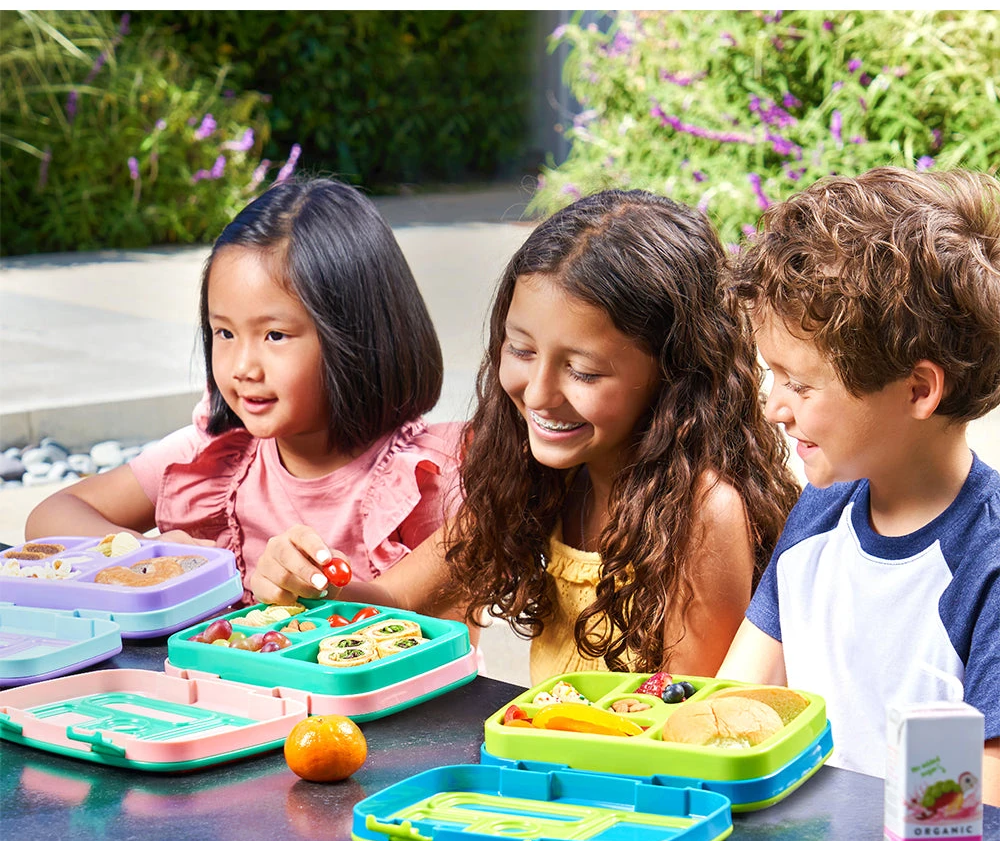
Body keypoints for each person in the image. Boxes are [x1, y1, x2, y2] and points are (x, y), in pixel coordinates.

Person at [252, 188, 801, 682]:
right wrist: (314, 581)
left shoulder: (703, 511)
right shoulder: (541, 475)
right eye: (521, 350)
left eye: (582, 372)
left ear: (676, 373)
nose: (537, 394)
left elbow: (687, 719)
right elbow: (392, 603)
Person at [24, 178, 464, 599]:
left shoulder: (422, 477)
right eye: (224, 333)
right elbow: (51, 517)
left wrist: (309, 586)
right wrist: (155, 554)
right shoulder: (218, 459)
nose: (242, 368)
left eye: (274, 335)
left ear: (356, 335)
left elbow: (412, 605)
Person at [717, 166, 1000, 804]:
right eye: (772, 374)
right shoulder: (821, 512)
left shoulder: (986, 565)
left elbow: (984, 817)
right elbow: (736, 708)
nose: (772, 406)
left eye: (800, 383)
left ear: (919, 390)